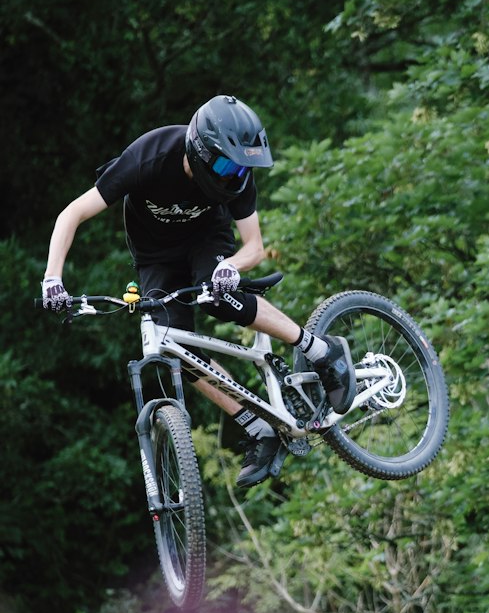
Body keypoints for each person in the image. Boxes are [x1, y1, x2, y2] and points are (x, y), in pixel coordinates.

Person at [41, 94, 355, 488]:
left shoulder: (236, 174)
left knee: (224, 298)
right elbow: (72, 213)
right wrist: (53, 278)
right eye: (225, 165)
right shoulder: (149, 157)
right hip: (155, 257)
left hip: (209, 242)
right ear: (200, 151)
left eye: (241, 169)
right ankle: (256, 426)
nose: (234, 176)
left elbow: (254, 248)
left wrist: (229, 268)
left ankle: (322, 351)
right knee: (171, 345)